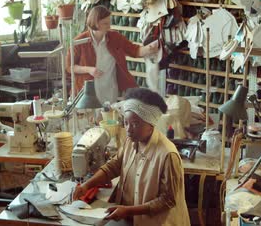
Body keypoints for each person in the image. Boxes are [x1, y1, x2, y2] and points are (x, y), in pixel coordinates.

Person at [72, 88, 190, 225]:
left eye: (135, 124)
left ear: (151, 124)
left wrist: (128, 210)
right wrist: (86, 185)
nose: (128, 129)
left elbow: (167, 200)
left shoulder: (168, 155)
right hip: (130, 217)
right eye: (126, 123)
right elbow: (113, 166)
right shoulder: (131, 141)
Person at [66, 5, 160, 104]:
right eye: (105, 23)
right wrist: (89, 69)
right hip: (86, 93)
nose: (109, 26)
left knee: (109, 118)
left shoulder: (115, 37)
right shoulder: (79, 42)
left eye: (109, 22)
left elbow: (135, 50)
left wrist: (150, 48)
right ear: (95, 23)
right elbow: (69, 67)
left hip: (109, 90)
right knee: (88, 118)